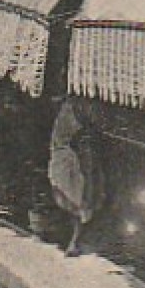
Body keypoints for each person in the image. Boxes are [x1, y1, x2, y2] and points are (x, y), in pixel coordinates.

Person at [49, 97, 105, 256]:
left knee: (77, 201)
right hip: (67, 161)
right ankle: (74, 241)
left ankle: (74, 241)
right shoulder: (71, 110)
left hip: (68, 161)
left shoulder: (71, 109)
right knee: (76, 202)